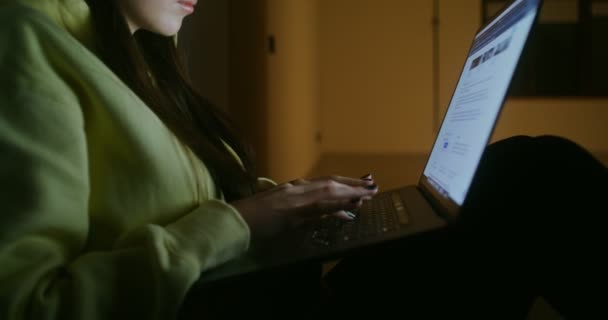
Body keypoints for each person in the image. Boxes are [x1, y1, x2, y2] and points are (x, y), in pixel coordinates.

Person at [0, 0, 605, 319]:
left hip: (280, 286)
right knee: (538, 183)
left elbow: (178, 193)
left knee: (520, 172)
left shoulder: (133, 50)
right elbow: (30, 306)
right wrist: (240, 222)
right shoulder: (28, 37)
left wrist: (286, 201)